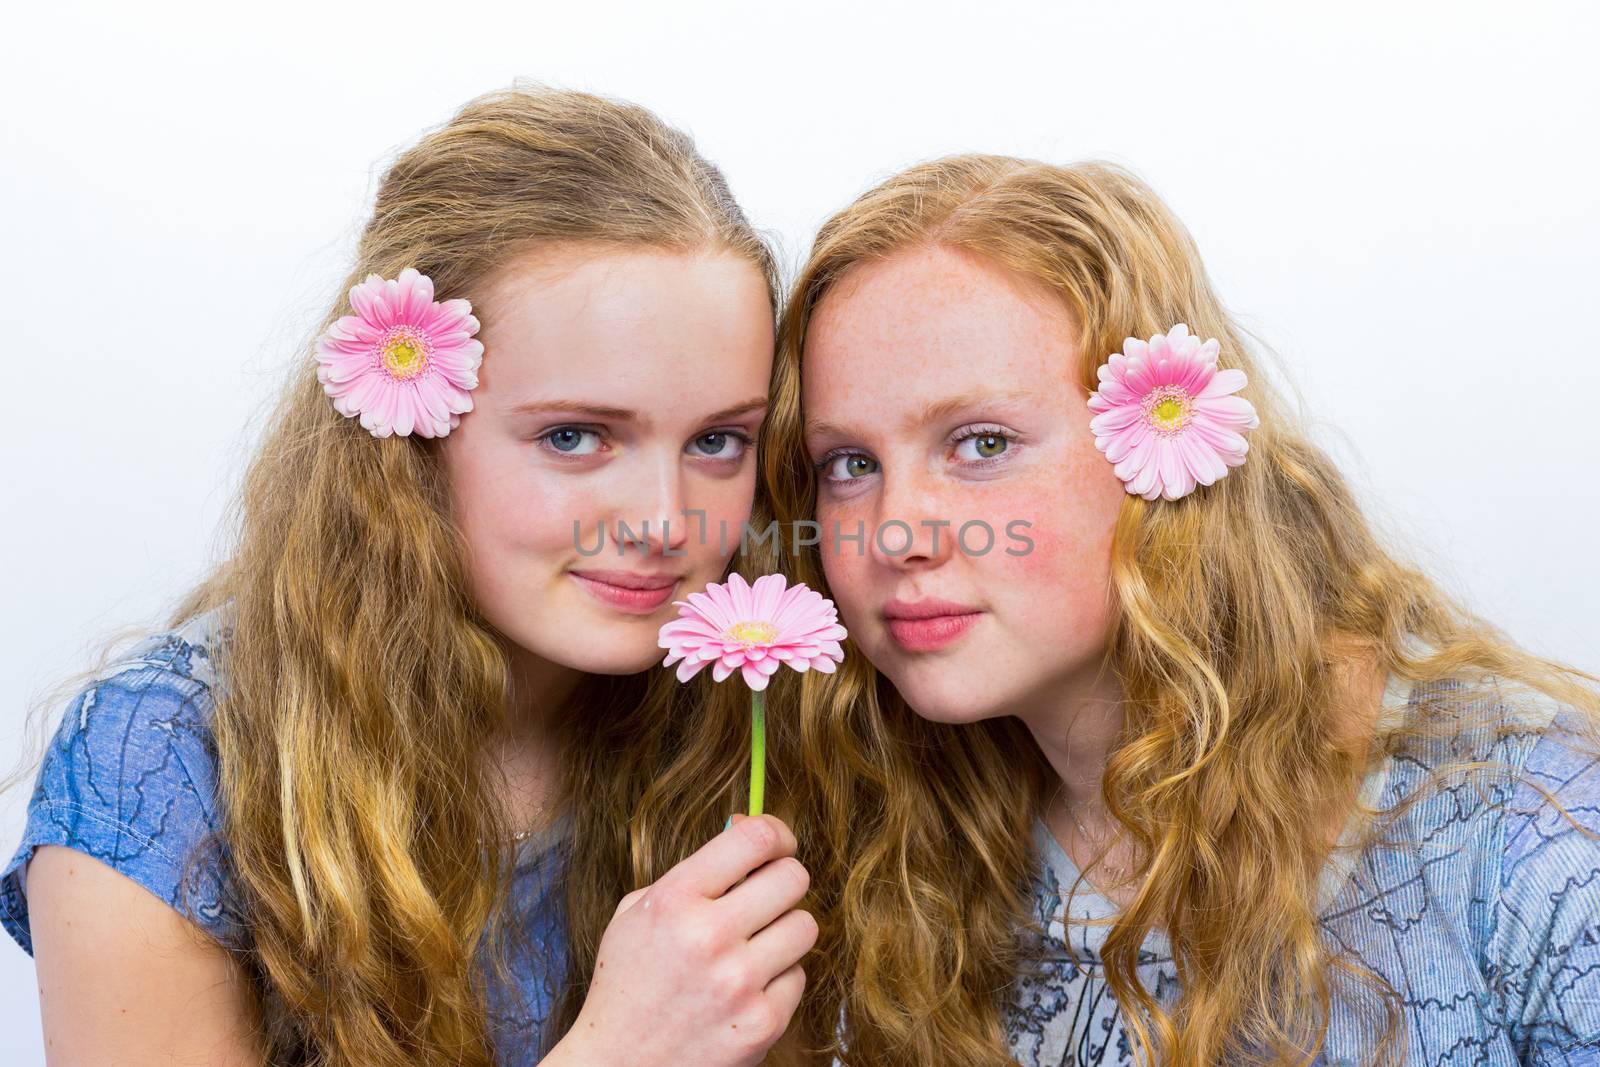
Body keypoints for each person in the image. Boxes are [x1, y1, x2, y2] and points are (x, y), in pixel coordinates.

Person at [0, 85, 819, 1067]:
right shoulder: (169, 767)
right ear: (408, 433)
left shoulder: (750, 715)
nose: (664, 520)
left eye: (719, 440)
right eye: (573, 435)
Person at [765, 155, 1600, 1065]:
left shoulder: (1528, 834)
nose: (892, 535)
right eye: (849, 463)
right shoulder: (893, 842)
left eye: (982, 443)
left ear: (1165, 443)